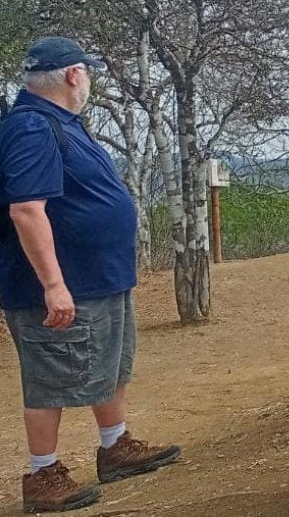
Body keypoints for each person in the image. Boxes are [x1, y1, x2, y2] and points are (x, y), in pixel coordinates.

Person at [0, 37, 181, 513]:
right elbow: (25, 210)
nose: (90, 80)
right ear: (73, 75)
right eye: (89, 72)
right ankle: (43, 474)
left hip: (99, 278)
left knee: (111, 363)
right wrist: (53, 285)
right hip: (62, 285)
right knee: (50, 376)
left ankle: (115, 445)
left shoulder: (62, 123)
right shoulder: (32, 128)